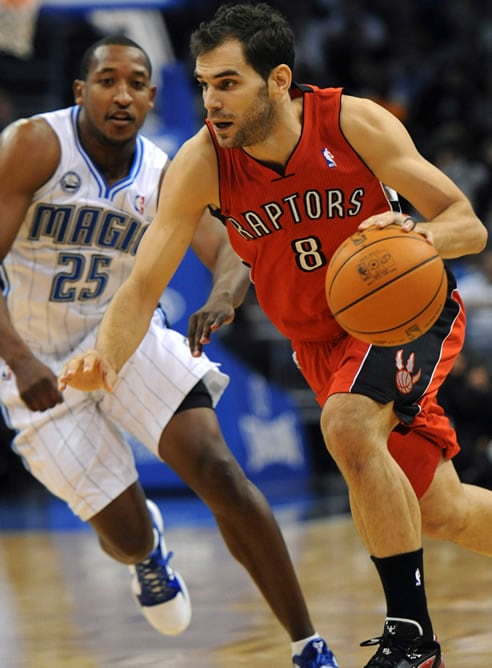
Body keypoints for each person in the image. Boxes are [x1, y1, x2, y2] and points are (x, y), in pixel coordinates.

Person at [57, 6, 492, 667]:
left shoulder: (352, 122)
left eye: (228, 83)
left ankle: (412, 642)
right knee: (441, 509)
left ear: (278, 79)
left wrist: (411, 238)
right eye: (204, 84)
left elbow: (467, 224)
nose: (212, 101)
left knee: (347, 426)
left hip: (403, 315)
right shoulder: (202, 162)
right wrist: (102, 358)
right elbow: (144, 285)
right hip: (320, 347)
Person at [0, 35, 338, 668]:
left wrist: (223, 294)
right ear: (80, 91)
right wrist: (20, 360)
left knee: (220, 472)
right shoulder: (33, 146)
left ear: (153, 97)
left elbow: (231, 247)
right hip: (31, 358)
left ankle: (308, 645)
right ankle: (149, 551)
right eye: (106, 80)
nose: (121, 94)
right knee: (124, 538)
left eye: (136, 83)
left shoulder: (165, 171)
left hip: (123, 341)